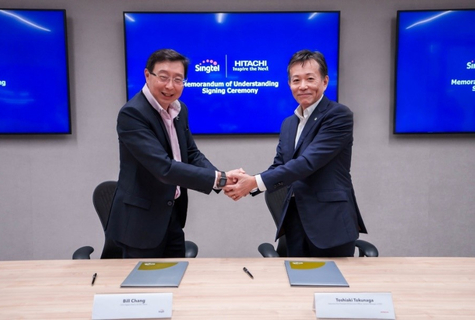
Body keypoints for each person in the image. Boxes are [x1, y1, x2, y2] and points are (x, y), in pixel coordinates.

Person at [224, 49, 367, 257]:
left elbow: (307, 163)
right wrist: (246, 184)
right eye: (296, 80)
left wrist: (253, 181)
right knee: (294, 285)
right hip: (294, 222)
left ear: (325, 81)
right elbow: (279, 166)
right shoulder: (289, 124)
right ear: (289, 84)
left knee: (331, 286)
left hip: (331, 224)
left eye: (310, 79)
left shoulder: (338, 115)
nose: (303, 86)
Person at [105, 49, 241, 258]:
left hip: (172, 216)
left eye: (178, 79)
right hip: (140, 225)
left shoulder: (179, 109)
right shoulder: (132, 114)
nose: (170, 86)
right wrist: (219, 180)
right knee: (145, 287)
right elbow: (164, 168)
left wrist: (219, 176)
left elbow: (191, 153)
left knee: (177, 281)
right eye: (164, 77)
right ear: (147, 75)